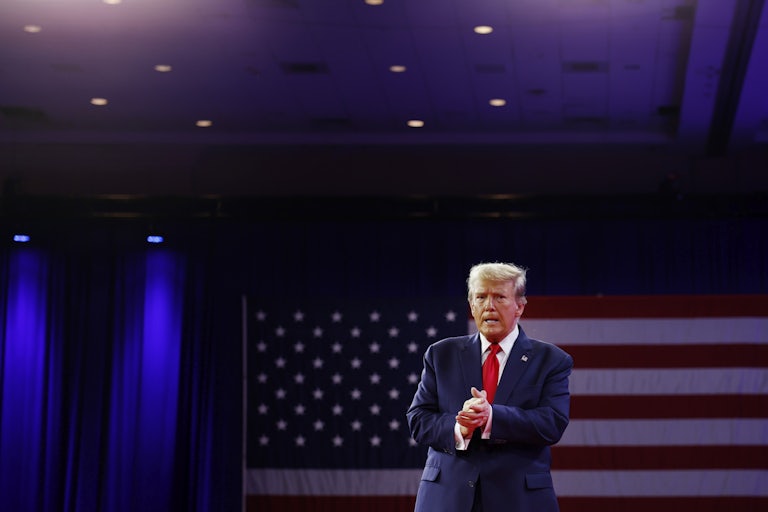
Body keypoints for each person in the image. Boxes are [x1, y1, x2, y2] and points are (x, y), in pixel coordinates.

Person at [407, 262, 573, 512]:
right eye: (481, 297)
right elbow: (418, 419)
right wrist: (459, 426)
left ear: (519, 306)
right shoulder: (441, 354)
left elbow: (552, 423)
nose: (489, 306)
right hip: (446, 499)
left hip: (519, 500)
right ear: (472, 305)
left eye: (499, 297)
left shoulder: (551, 360)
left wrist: (492, 416)